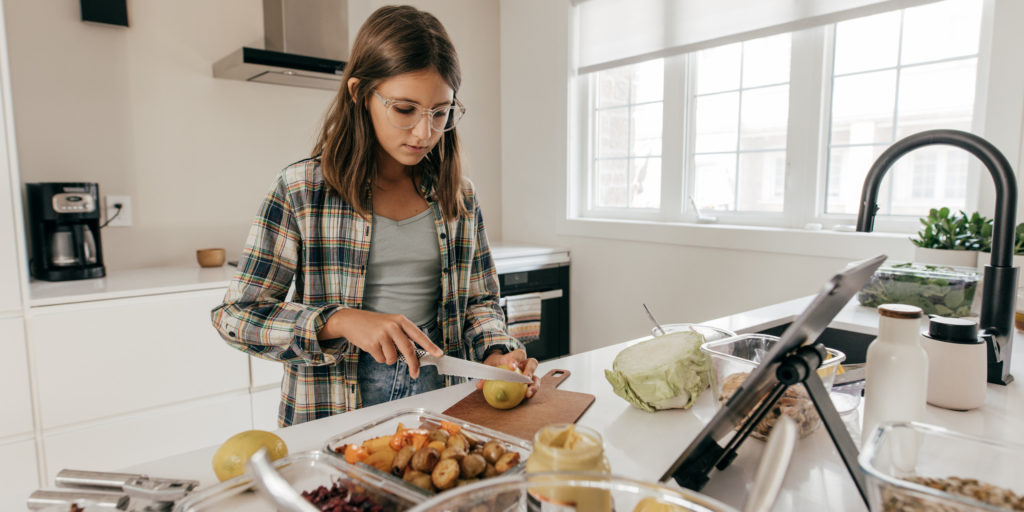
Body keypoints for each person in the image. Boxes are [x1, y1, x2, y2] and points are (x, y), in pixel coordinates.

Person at [211, 5, 541, 427]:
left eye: (440, 112)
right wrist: (338, 320)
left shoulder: (457, 194)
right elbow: (237, 316)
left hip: (440, 399)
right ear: (359, 93)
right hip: (333, 406)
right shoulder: (302, 190)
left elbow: (480, 302)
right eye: (405, 110)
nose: (425, 132)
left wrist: (496, 353)